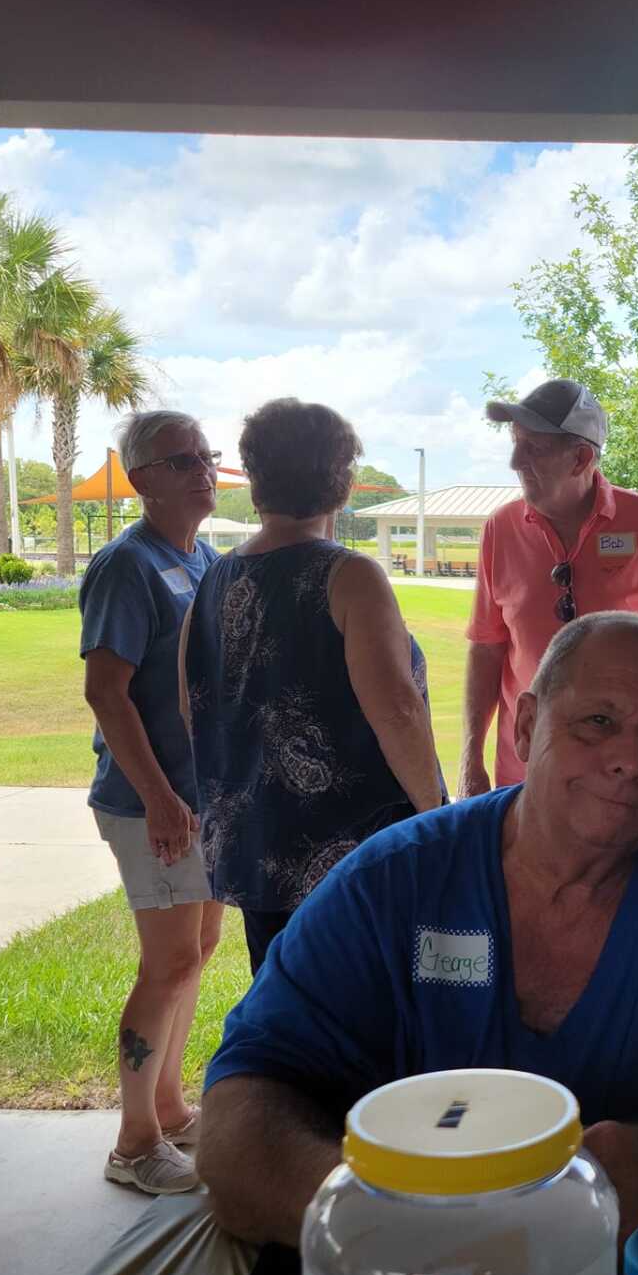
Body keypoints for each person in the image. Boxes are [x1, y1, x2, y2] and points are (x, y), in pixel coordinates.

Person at [198, 612, 638, 1246]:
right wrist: (383, 1220)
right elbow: (237, 1109)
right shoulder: (397, 883)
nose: (629, 761)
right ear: (525, 726)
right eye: (598, 721)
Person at [181, 398, 447, 974]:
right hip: (353, 861)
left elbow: (191, 707)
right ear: (342, 483)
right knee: (365, 1023)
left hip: (255, 848)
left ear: (255, 482)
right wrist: (436, 815)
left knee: (287, 1011)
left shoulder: (215, 577)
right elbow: (397, 710)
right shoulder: (349, 575)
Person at [79, 409, 227, 1195]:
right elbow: (107, 692)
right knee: (167, 962)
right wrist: (163, 799)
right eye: (182, 461)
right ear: (140, 481)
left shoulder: (201, 556)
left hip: (199, 799)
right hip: (151, 805)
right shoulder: (125, 566)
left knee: (196, 951)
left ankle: (169, 1109)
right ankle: (134, 1145)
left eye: (207, 456)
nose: (203, 470)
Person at [461, 379, 638, 796]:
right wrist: (471, 759)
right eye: (515, 443)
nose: (516, 461)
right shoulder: (501, 528)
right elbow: (487, 647)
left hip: (623, 770)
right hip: (525, 771)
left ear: (581, 457)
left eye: (534, 448)